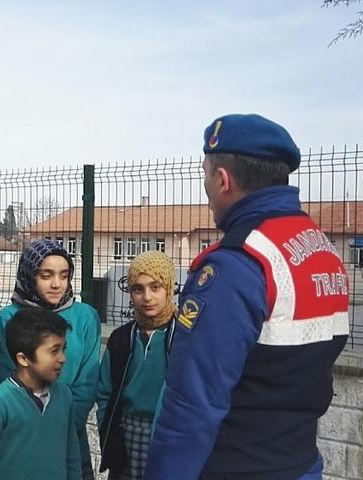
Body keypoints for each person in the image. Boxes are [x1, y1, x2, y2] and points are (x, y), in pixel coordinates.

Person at [146, 114, 349, 480]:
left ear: (223, 180)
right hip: (300, 462)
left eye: (206, 174)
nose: (205, 187)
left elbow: (192, 407)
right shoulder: (322, 250)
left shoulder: (236, 266)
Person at [0, 239, 101, 479]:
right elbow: (8, 377)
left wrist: (62, 422)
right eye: (46, 275)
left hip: (71, 434)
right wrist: (35, 425)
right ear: (30, 275)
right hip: (23, 437)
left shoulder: (85, 317)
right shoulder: (9, 318)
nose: (57, 284)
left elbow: (88, 381)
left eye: (64, 276)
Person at [0, 307, 81, 480]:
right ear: (23, 358)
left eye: (63, 349)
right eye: (54, 351)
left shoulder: (64, 396)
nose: (62, 358)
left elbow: (72, 456)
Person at [97, 251, 177, 480]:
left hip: (168, 433)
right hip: (128, 434)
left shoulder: (185, 337)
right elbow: (105, 392)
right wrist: (110, 434)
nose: (147, 297)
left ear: (169, 289)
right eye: (138, 289)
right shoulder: (121, 338)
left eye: (155, 287)